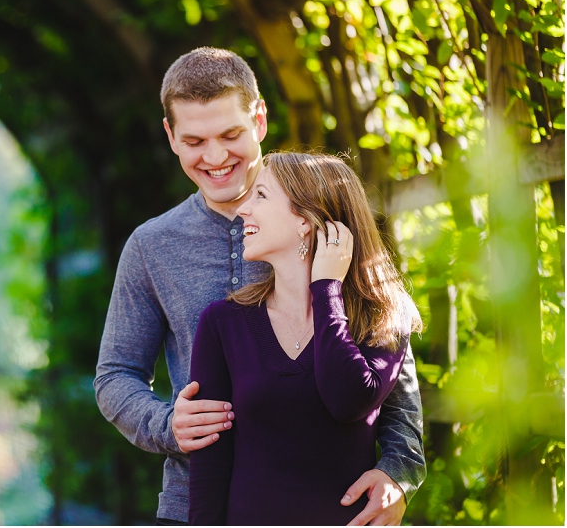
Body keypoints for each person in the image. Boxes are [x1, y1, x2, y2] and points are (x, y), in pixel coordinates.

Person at [94, 47, 426, 525]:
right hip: (193, 506)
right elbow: (115, 376)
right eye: (194, 141)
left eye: (230, 134)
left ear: (260, 119)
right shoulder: (151, 246)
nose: (214, 157)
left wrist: (399, 472)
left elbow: (393, 370)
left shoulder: (330, 221)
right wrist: (166, 423)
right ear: (170, 136)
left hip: (331, 505)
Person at [187, 151, 422, 524]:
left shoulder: (383, 315)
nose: (244, 209)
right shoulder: (222, 323)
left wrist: (326, 289)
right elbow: (209, 469)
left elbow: (348, 399)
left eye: (260, 195)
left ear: (306, 221)